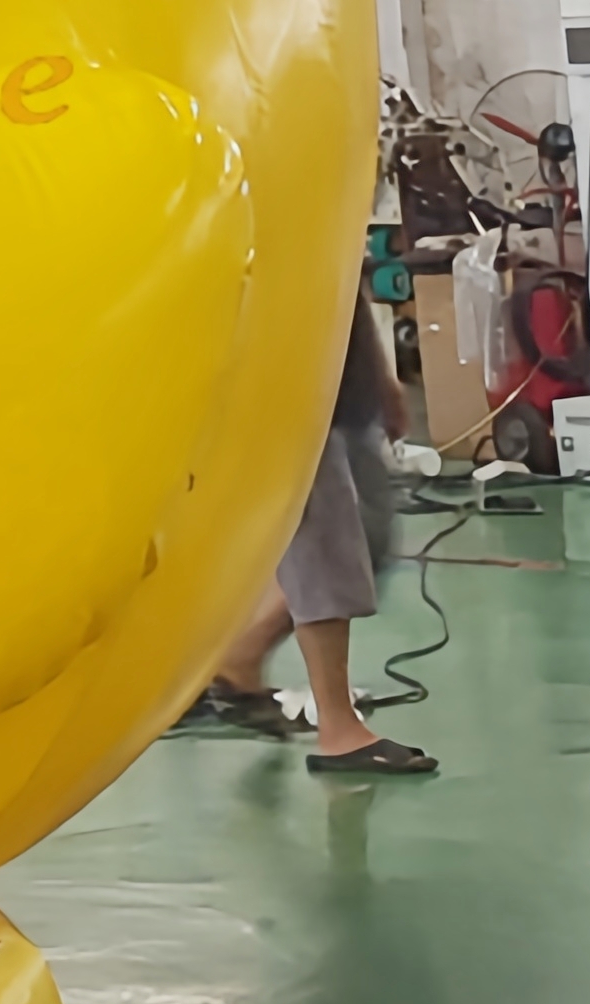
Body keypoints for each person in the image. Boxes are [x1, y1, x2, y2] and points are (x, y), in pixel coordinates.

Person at [180, 294, 435, 778]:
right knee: (329, 522)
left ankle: (241, 662)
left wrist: (377, 372)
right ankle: (335, 723)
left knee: (356, 523)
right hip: (278, 352)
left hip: (320, 351)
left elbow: (337, 266)